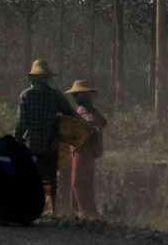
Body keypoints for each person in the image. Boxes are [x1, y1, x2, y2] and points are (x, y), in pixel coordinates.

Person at [14, 59, 75, 213]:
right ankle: (52, 209)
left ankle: (35, 206)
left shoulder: (26, 95)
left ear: (33, 77)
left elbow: (21, 121)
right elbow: (70, 113)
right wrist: (83, 125)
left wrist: (17, 139)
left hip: (31, 144)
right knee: (49, 177)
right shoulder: (55, 95)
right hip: (50, 144)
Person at [65, 79, 107, 216]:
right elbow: (102, 122)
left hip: (82, 150)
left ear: (85, 95)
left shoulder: (85, 110)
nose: (74, 96)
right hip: (81, 150)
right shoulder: (89, 110)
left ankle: (86, 213)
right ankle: (82, 213)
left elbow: (93, 124)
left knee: (78, 182)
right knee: (83, 183)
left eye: (77, 94)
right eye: (74, 94)